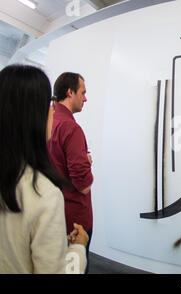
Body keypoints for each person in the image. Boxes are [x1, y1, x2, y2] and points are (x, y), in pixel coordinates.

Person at [0, 64, 89, 274]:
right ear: (32, 115)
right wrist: (78, 248)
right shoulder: (44, 195)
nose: (52, 109)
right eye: (49, 103)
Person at [47, 72, 94, 274]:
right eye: (82, 93)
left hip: (56, 215)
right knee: (75, 267)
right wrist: (87, 163)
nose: (85, 98)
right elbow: (83, 185)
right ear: (69, 92)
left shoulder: (50, 123)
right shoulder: (71, 129)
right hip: (76, 222)